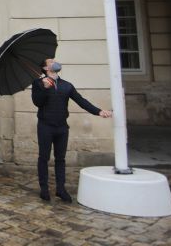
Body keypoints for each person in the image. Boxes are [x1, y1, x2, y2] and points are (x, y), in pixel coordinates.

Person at [31, 59, 112, 203]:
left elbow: (81, 101)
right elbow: (37, 102)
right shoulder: (38, 84)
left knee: (60, 159)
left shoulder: (66, 85)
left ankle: (60, 189)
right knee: (43, 157)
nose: (55, 63)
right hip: (45, 126)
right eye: (51, 62)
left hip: (62, 127)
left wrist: (98, 111)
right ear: (45, 68)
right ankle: (44, 189)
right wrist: (44, 88)